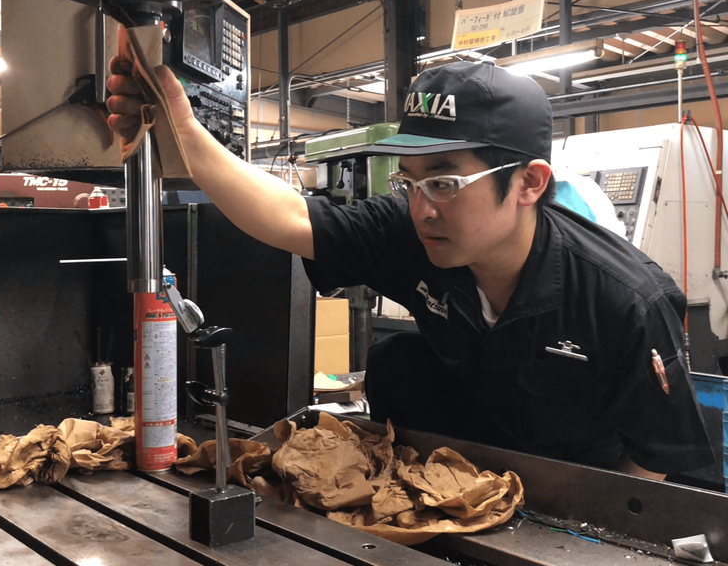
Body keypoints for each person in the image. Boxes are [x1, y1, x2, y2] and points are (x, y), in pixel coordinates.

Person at [107, 55, 714, 480]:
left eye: (445, 182)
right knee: (398, 362)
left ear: (529, 183)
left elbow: (654, 464)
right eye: (411, 182)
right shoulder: (415, 231)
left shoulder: (624, 299)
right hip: (466, 464)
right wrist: (184, 130)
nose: (422, 208)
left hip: (576, 477)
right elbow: (291, 217)